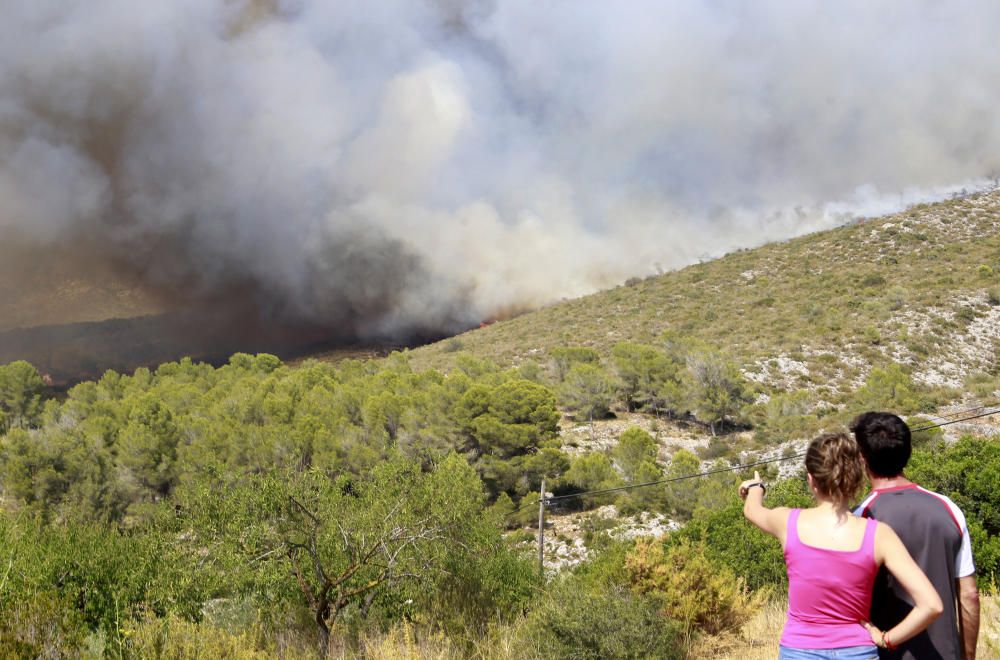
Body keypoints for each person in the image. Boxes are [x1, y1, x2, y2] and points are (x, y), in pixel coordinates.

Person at [740, 432, 943, 659]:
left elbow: (752, 510)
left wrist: (756, 487)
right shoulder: (878, 534)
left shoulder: (787, 522)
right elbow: (932, 605)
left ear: (811, 480)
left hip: (799, 651)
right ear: (856, 479)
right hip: (858, 651)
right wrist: (886, 639)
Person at [851, 412, 981, 659]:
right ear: (909, 453)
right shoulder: (948, 508)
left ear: (862, 459)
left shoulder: (860, 517)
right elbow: (969, 595)